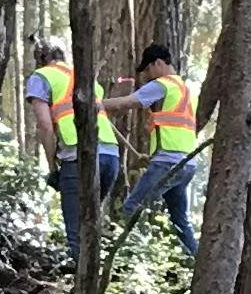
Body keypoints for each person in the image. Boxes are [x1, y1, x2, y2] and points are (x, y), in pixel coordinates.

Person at [23, 40, 116, 256]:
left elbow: (45, 125)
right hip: (111, 154)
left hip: (79, 155)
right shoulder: (81, 75)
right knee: (91, 224)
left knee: (77, 230)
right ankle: (97, 279)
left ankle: (81, 284)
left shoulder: (41, 77)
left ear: (40, 59)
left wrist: (53, 167)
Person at [110, 45, 202, 253]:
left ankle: (137, 256)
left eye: (149, 69)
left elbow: (128, 102)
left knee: (132, 208)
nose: (149, 75)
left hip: (167, 162)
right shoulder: (187, 90)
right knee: (181, 222)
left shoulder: (163, 85)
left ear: (158, 63)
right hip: (186, 163)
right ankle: (195, 263)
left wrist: (98, 104)